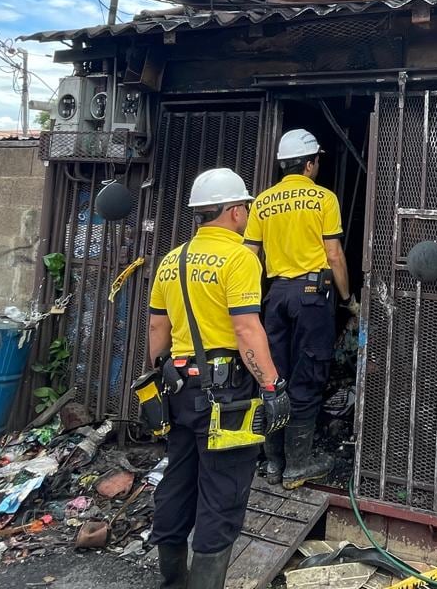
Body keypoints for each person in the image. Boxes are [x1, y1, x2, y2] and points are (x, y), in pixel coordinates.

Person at [147, 168, 292, 589]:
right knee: (222, 494)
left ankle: (173, 580)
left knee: (178, 481)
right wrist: (271, 385)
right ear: (232, 211)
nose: (247, 213)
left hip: (178, 391)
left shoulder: (172, 260)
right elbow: (247, 329)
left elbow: (158, 332)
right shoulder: (241, 258)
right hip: (225, 396)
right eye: (245, 207)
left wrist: (165, 376)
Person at [244, 128, 350, 490]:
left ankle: (273, 463)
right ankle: (297, 466)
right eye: (317, 160)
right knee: (307, 376)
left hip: (276, 296)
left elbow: (250, 257)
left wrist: (246, 304)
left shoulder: (261, 203)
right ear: (309, 163)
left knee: (274, 376)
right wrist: (348, 297)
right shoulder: (323, 199)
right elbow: (334, 253)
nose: (318, 165)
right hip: (310, 295)